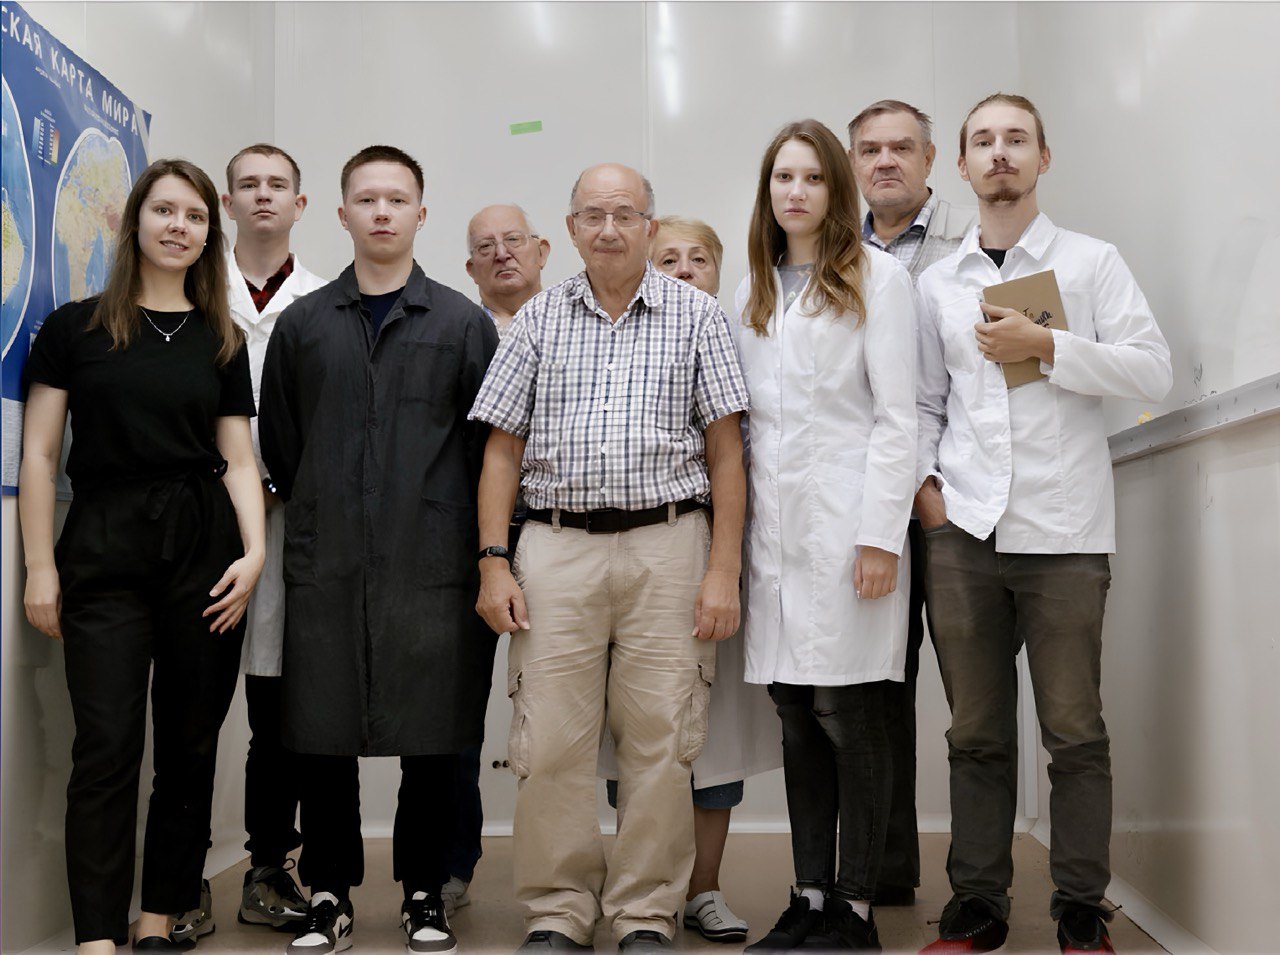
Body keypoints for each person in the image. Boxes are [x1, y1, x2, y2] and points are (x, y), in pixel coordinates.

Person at [914, 94, 1172, 954]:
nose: (1000, 153)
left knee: (1075, 731)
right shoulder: (936, 284)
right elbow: (923, 403)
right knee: (975, 733)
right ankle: (978, 903)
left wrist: (1047, 343)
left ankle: (1080, 907)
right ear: (961, 165)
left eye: (1016, 139)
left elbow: (1152, 370)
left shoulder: (1091, 262)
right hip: (963, 533)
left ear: (1043, 158)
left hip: (1064, 532)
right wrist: (929, 495)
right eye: (983, 141)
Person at [469, 163, 749, 952]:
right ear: (569, 229)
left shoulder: (697, 316)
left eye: (626, 214)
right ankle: (558, 910)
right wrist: (494, 561)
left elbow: (728, 452)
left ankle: (645, 912)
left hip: (671, 544)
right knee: (549, 738)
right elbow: (501, 452)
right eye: (592, 215)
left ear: (650, 228)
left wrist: (723, 569)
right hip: (556, 547)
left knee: (663, 738)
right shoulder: (537, 319)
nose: (609, 229)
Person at [19, 158, 266, 954]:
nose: (177, 226)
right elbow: (39, 456)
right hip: (102, 550)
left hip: (206, 552)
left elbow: (238, 459)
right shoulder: (76, 329)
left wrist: (255, 553)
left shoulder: (221, 338)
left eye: (194, 216)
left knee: (190, 748)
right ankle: (96, 937)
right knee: (105, 748)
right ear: (134, 222)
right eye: (164, 210)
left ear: (209, 234)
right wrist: (40, 566)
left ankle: (157, 920)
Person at [259, 145, 499, 955]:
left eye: (398, 198)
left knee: (434, 733)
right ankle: (329, 890)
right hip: (327, 559)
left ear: (421, 214)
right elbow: (283, 443)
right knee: (320, 730)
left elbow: (487, 449)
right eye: (367, 199)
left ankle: (424, 889)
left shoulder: (462, 323)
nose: (383, 211)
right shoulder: (302, 325)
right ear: (342, 214)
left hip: (431, 560)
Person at [736, 120, 917, 952]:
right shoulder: (754, 290)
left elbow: (898, 417)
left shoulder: (878, 277)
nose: (797, 191)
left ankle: (855, 906)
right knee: (796, 714)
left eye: (812, 177)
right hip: (775, 539)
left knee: (850, 714)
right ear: (767, 191)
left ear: (836, 189)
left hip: (849, 532)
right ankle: (808, 895)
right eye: (784, 177)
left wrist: (880, 536)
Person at [598, 215, 782, 944]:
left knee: (713, 740)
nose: (682, 271)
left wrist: (725, 569)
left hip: (719, 558)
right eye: (667, 259)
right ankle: (640, 890)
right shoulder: (624, 345)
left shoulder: (745, 340)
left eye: (697, 259)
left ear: (720, 269)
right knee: (639, 737)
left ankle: (702, 889)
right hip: (639, 559)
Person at [175, 144, 329, 944]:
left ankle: (268, 868)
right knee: (194, 709)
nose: (263, 195)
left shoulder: (325, 302)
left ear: (301, 204)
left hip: (292, 524)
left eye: (278, 185)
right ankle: (182, 879)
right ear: (227, 203)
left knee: (279, 711)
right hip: (203, 522)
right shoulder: (189, 294)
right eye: (247, 185)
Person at [846, 99, 978, 907]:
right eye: (870, 149)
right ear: (853, 163)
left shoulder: (979, 241)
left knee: (974, 698)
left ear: (931, 159)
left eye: (902, 147)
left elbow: (1000, 380)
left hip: (957, 505)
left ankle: (979, 883)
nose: (885, 160)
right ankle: (886, 869)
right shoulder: (833, 249)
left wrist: (930, 485)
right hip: (870, 507)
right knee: (878, 689)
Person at [440, 203, 550, 917]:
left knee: (570, 714)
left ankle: (593, 868)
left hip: (561, 536)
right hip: (466, 544)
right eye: (486, 246)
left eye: (514, 241)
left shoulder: (574, 325)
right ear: (469, 267)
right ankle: (453, 862)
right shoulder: (453, 334)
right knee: (453, 711)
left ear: (543, 251)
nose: (502, 253)